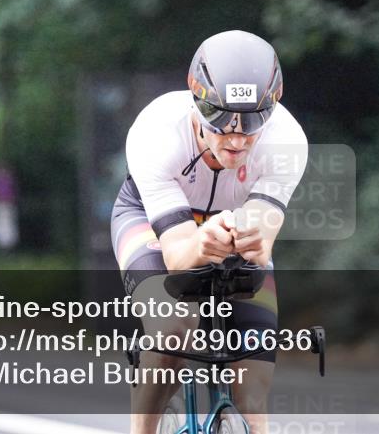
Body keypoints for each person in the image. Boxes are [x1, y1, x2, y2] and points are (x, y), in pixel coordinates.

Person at [110, 30, 308, 434]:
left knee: (252, 388)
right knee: (172, 331)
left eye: (252, 120)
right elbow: (180, 255)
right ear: (196, 102)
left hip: (231, 226)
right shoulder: (155, 131)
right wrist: (201, 240)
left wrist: (250, 237)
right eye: (219, 118)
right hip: (150, 221)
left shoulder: (287, 140)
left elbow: (260, 240)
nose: (236, 137)